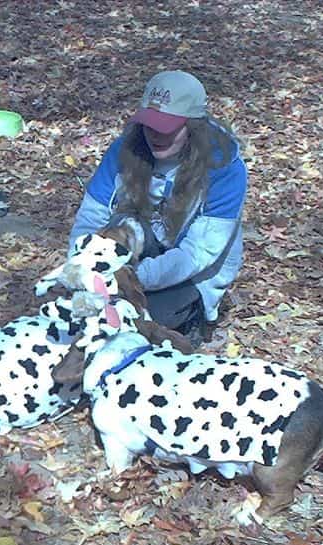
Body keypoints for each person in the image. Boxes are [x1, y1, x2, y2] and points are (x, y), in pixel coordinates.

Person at [68, 70, 247, 346]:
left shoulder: (224, 167)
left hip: (190, 274)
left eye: (167, 128)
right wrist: (82, 265)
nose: (155, 135)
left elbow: (199, 254)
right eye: (149, 125)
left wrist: (133, 278)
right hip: (135, 255)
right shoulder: (124, 149)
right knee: (80, 316)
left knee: (135, 329)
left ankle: (192, 319)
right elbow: (91, 216)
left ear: (193, 126)